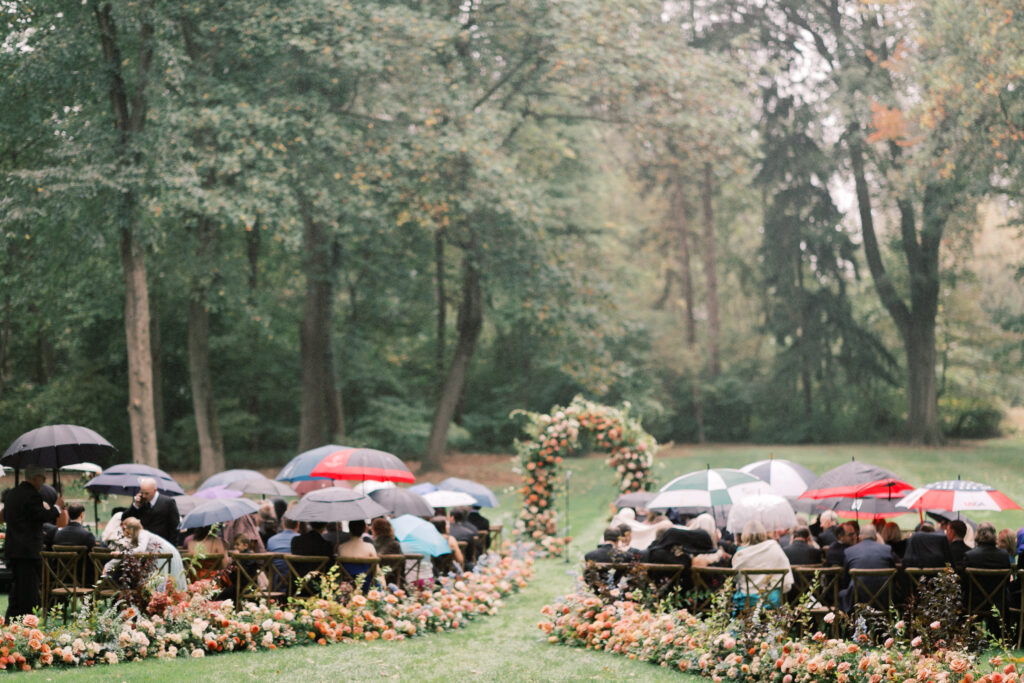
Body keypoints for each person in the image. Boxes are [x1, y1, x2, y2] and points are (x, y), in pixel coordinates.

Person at [3, 466, 63, 619]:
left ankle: (13, 617)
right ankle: (27, 619)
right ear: (36, 477)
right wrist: (57, 508)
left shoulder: (12, 494)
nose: (43, 483)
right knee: (29, 589)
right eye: (43, 479)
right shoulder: (32, 495)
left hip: (13, 548)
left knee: (17, 588)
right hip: (27, 550)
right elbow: (43, 516)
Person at [106, 517, 187, 591]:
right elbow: (127, 552)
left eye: (124, 530)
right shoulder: (134, 539)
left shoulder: (142, 534)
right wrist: (108, 566)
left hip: (164, 551)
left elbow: (141, 549)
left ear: (130, 529)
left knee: (164, 575)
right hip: (158, 554)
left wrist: (122, 553)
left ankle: (166, 594)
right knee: (157, 577)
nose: (124, 533)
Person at [730, 520, 794, 609]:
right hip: (771, 601)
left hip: (747, 601)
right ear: (763, 533)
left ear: (744, 534)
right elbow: (786, 576)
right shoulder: (774, 547)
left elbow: (736, 578)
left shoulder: (740, 553)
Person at [839, 525, 896, 611]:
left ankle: (847, 623)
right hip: (884, 598)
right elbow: (894, 575)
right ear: (876, 536)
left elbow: (845, 580)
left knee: (841, 594)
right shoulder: (887, 549)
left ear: (860, 537)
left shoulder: (849, 551)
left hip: (857, 599)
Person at [121, 477, 180, 545]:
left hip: (161, 545)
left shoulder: (168, 502)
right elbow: (124, 518)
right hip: (142, 545)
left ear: (155, 490)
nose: (144, 496)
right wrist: (135, 506)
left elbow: (174, 527)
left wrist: (172, 546)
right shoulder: (140, 502)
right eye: (142, 493)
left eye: (146, 493)